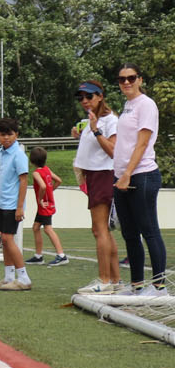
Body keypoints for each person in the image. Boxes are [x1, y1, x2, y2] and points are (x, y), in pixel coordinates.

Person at [112, 63, 167, 296]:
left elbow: (142, 143)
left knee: (149, 230)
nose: (127, 82)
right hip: (122, 177)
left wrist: (127, 174)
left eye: (131, 78)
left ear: (140, 80)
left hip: (142, 175)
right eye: (122, 79)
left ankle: (159, 287)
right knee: (130, 233)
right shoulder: (127, 106)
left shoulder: (146, 105)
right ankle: (136, 285)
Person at [72, 81, 122, 293]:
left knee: (100, 229)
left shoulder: (110, 121)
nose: (85, 101)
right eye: (81, 97)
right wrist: (82, 133)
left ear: (100, 96)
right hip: (93, 175)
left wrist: (94, 131)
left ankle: (105, 280)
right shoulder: (95, 119)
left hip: (103, 174)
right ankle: (115, 281)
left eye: (89, 96)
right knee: (102, 230)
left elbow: (113, 150)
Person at [0, 118, 32, 292]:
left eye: (10, 134)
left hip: (13, 204)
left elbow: (23, 181)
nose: (6, 137)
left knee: (7, 239)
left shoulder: (18, 154)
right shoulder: (2, 152)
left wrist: (20, 207)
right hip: (2, 201)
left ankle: (23, 278)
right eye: (2, 134)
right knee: (4, 240)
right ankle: (8, 277)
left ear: (16, 135)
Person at [24, 146, 68, 267]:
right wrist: (50, 191)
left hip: (44, 206)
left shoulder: (36, 173)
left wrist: (40, 199)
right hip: (47, 205)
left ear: (31, 161)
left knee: (48, 229)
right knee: (36, 227)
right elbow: (58, 180)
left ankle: (61, 255)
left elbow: (42, 186)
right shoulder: (47, 170)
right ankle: (38, 256)